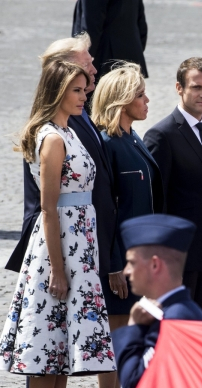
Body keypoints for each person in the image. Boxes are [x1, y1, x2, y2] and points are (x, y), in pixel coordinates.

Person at [0, 61, 115, 387]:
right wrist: (58, 269)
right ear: (57, 92)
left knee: (61, 353)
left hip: (80, 250)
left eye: (83, 89)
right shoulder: (52, 138)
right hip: (59, 251)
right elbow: (48, 208)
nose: (84, 96)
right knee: (45, 348)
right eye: (75, 91)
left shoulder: (69, 130)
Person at [5, 34, 119, 315]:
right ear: (62, 75)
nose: (93, 69)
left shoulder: (76, 117)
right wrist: (55, 263)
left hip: (85, 239)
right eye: (86, 64)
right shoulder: (55, 130)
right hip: (64, 241)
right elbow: (45, 205)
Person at [143, 57, 202, 320]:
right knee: (175, 333)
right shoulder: (162, 136)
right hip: (178, 259)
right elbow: (155, 203)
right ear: (179, 88)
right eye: (196, 87)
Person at [91, 62, 163, 388]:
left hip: (140, 261)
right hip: (120, 265)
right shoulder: (107, 144)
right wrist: (114, 264)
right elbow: (105, 211)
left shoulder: (131, 138)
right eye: (140, 95)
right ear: (121, 99)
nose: (147, 100)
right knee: (116, 343)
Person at [112, 214, 202, 388]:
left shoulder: (174, 320)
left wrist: (134, 327)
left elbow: (135, 381)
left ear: (155, 265)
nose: (126, 271)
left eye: (132, 263)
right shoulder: (178, 311)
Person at [72, 0, 148, 80]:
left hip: (104, 62)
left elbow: (90, 30)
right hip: (131, 60)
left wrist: (83, 62)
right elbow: (141, 25)